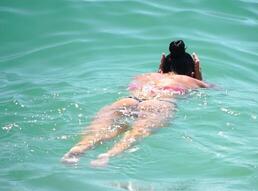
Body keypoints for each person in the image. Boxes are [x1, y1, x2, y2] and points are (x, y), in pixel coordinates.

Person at [61, 40, 209, 167]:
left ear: (162, 66)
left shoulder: (144, 76)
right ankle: (107, 155)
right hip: (159, 103)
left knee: (101, 131)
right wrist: (198, 73)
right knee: (136, 133)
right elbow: (211, 90)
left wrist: (159, 70)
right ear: (191, 70)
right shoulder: (192, 80)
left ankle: (78, 149)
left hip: (128, 100)